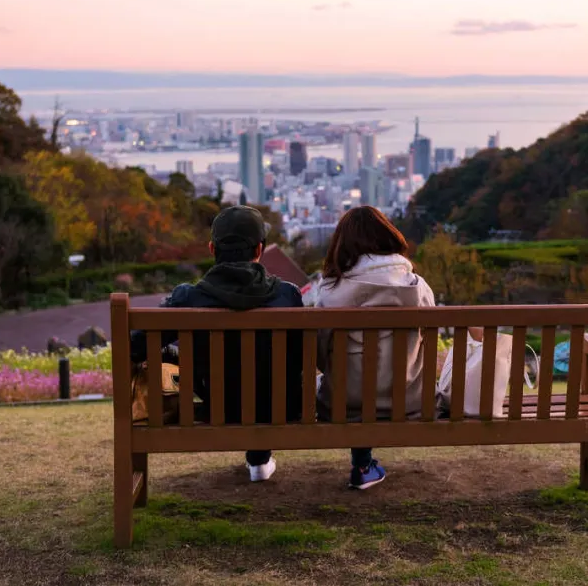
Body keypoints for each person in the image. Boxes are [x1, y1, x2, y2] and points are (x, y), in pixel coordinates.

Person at [129, 205, 303, 482]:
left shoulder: (189, 298)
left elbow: (135, 346)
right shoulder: (288, 296)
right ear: (259, 249)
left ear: (212, 249)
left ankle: (258, 459)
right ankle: (259, 459)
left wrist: (176, 354)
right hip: (283, 409)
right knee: (264, 366)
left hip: (220, 407)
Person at [314, 206, 435, 490]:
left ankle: (362, 464)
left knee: (347, 383)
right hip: (408, 402)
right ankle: (364, 466)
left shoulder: (331, 291)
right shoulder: (417, 287)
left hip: (344, 404)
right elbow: (427, 340)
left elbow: (320, 355)